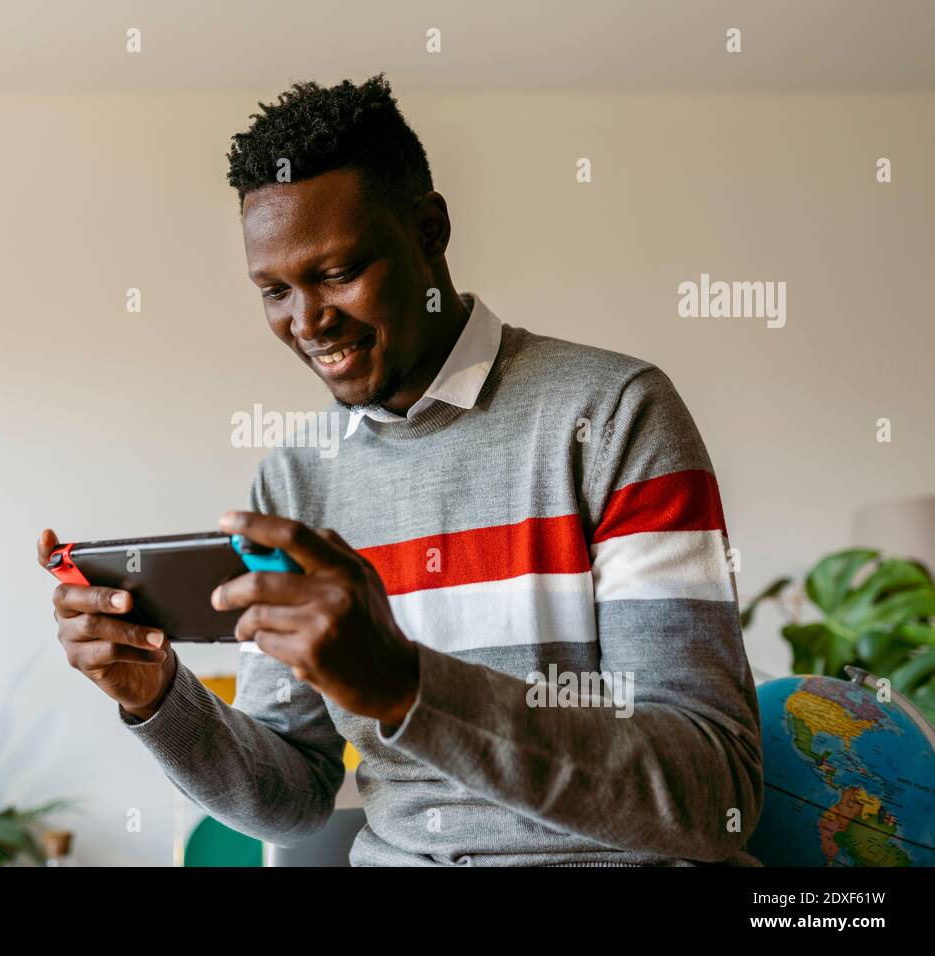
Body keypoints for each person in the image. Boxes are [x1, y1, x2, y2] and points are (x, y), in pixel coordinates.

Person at [38, 74, 763, 866]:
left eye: (338, 273)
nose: (308, 321)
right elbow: (294, 799)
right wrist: (156, 700)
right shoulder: (295, 482)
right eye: (275, 289)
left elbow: (713, 793)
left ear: (429, 230)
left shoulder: (616, 414)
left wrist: (409, 690)